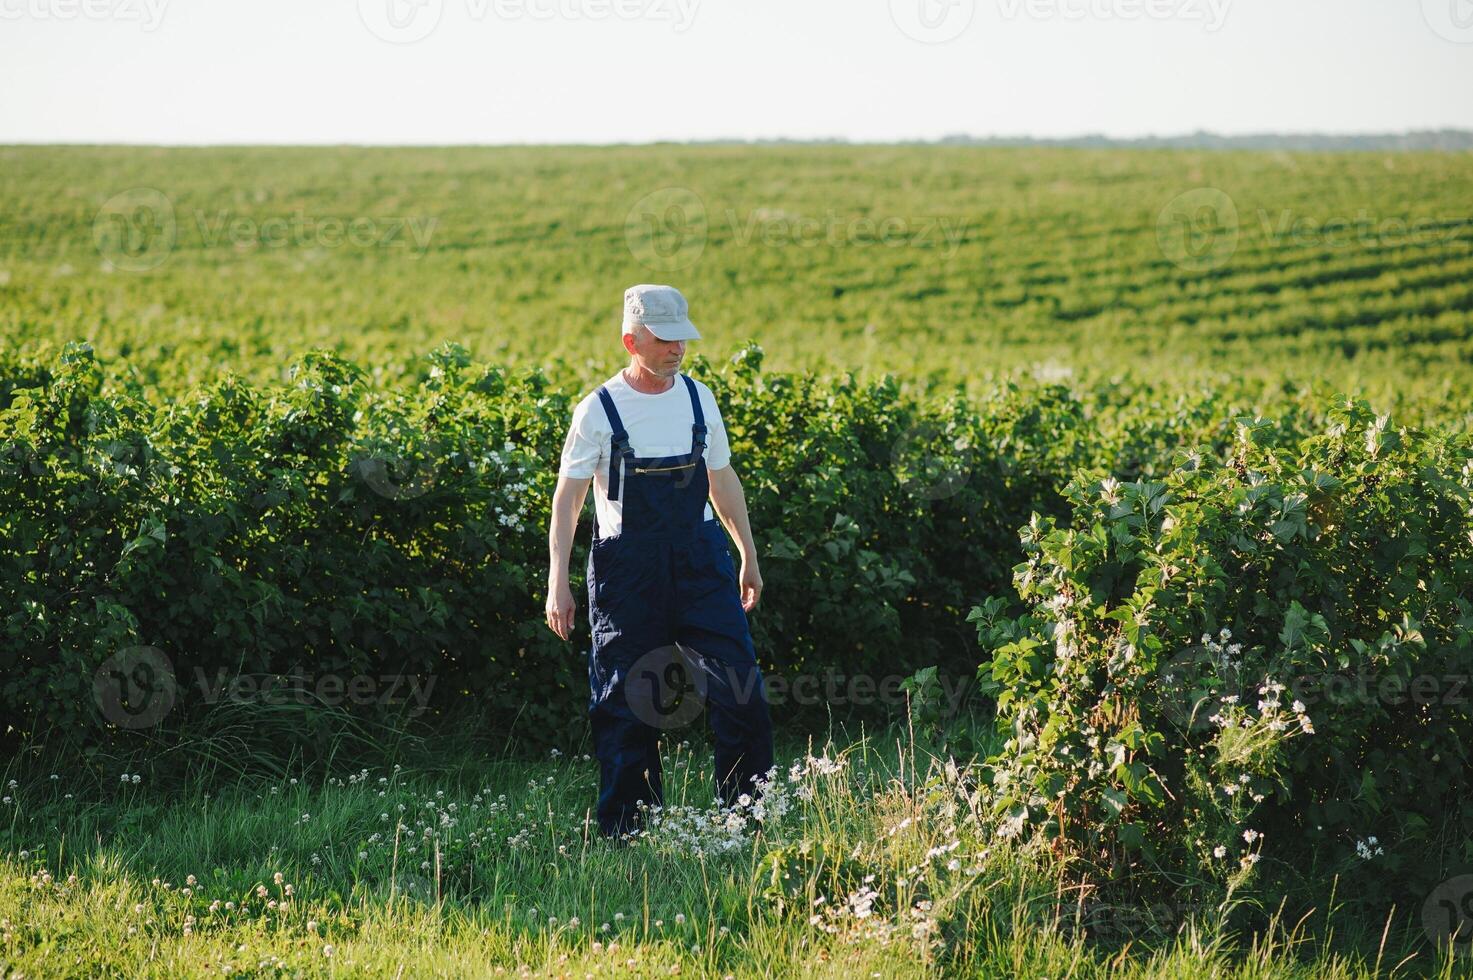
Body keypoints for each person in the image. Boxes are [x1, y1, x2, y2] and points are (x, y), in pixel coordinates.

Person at [545, 284, 774, 839]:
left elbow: (722, 479)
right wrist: (558, 580)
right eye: (666, 339)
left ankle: (747, 818)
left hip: (701, 563)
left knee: (741, 686)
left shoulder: (700, 399)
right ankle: (629, 830)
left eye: (683, 339)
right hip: (628, 572)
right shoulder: (597, 410)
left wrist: (747, 552)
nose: (678, 349)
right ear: (632, 340)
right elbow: (568, 498)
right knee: (626, 699)